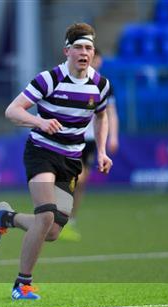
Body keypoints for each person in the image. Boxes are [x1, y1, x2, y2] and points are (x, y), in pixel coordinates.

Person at [0, 23, 113, 300]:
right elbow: (12, 110)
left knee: (53, 231)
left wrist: (101, 151)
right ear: (66, 50)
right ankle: (22, 285)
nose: (84, 52)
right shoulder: (48, 79)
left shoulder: (100, 85)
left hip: (71, 159)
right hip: (42, 152)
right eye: (78, 47)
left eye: (88, 47)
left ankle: (7, 217)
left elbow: (101, 116)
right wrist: (39, 121)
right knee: (44, 215)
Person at [59, 48, 119, 241]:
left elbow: (110, 113)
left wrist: (113, 137)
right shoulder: (68, 82)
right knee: (79, 178)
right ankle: (59, 213)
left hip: (91, 140)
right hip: (72, 138)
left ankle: (70, 220)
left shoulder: (103, 85)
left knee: (82, 183)